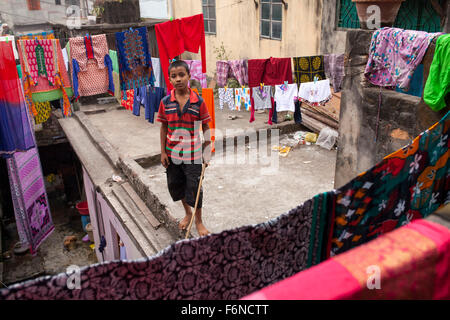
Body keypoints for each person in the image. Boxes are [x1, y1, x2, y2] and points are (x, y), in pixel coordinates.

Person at [157, 60, 212, 237]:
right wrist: (163, 151)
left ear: (189, 76)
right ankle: (188, 212)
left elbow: (206, 126)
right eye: (174, 76)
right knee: (176, 185)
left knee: (195, 188)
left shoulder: (198, 102)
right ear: (169, 79)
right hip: (173, 154)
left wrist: (207, 151)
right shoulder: (165, 102)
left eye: (182, 75)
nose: (178, 79)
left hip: (194, 154)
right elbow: (164, 127)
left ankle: (199, 221)